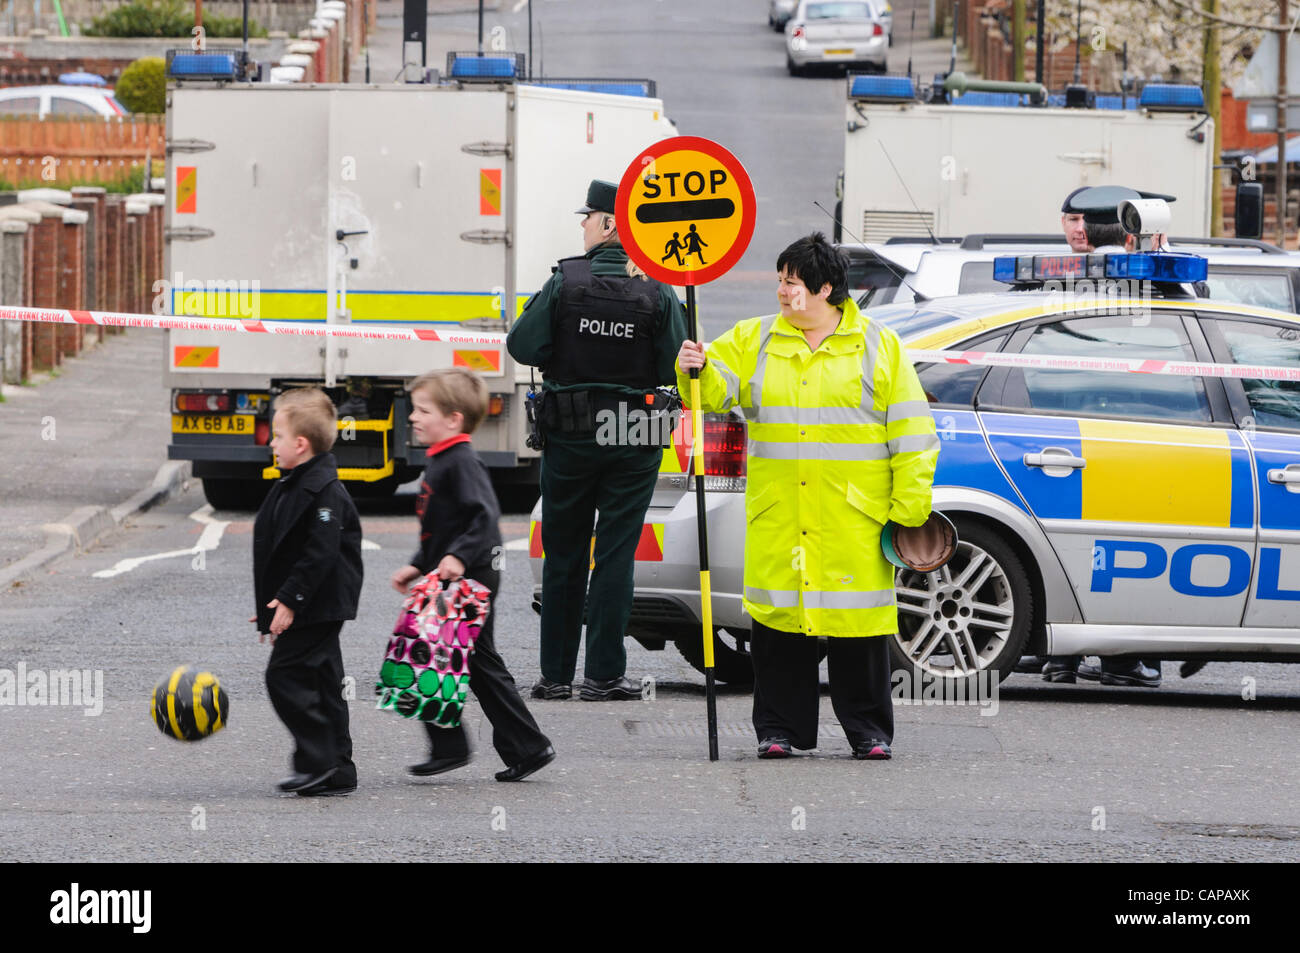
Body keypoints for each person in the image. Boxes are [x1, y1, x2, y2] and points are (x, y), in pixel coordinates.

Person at [677, 233, 939, 760]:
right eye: (779, 280)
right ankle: (779, 730)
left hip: (854, 519)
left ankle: (868, 732)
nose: (781, 291)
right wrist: (692, 371)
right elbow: (712, 394)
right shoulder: (754, 340)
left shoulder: (878, 347)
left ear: (825, 289)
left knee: (859, 626)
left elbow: (913, 435)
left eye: (791, 282)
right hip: (782, 512)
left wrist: (908, 511)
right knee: (778, 625)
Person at [507, 179, 687, 702]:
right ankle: (604, 675)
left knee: (563, 553)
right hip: (636, 431)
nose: (583, 225)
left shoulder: (565, 280)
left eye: (588, 217)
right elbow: (676, 365)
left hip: (571, 431)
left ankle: (555, 676)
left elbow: (522, 345)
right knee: (615, 554)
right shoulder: (657, 289)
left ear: (609, 223)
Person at [391, 368, 555, 781]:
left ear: (454, 420)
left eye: (423, 410)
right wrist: (418, 563)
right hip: (454, 575)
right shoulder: (442, 459)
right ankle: (497, 747)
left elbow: (483, 517)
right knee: (451, 659)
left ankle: (507, 747)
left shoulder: (460, 462)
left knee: (443, 656)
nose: (413, 417)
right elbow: (444, 525)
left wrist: (459, 559)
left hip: (470, 578)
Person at [253, 388, 364, 797]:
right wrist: (269, 605)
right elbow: (279, 552)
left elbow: (320, 554)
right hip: (307, 603)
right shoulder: (295, 482)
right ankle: (338, 769)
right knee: (324, 681)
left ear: (300, 444)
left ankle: (316, 758)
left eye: (277, 436)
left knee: (283, 675)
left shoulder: (323, 492)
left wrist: (290, 600)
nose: (272, 442)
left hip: (319, 605)